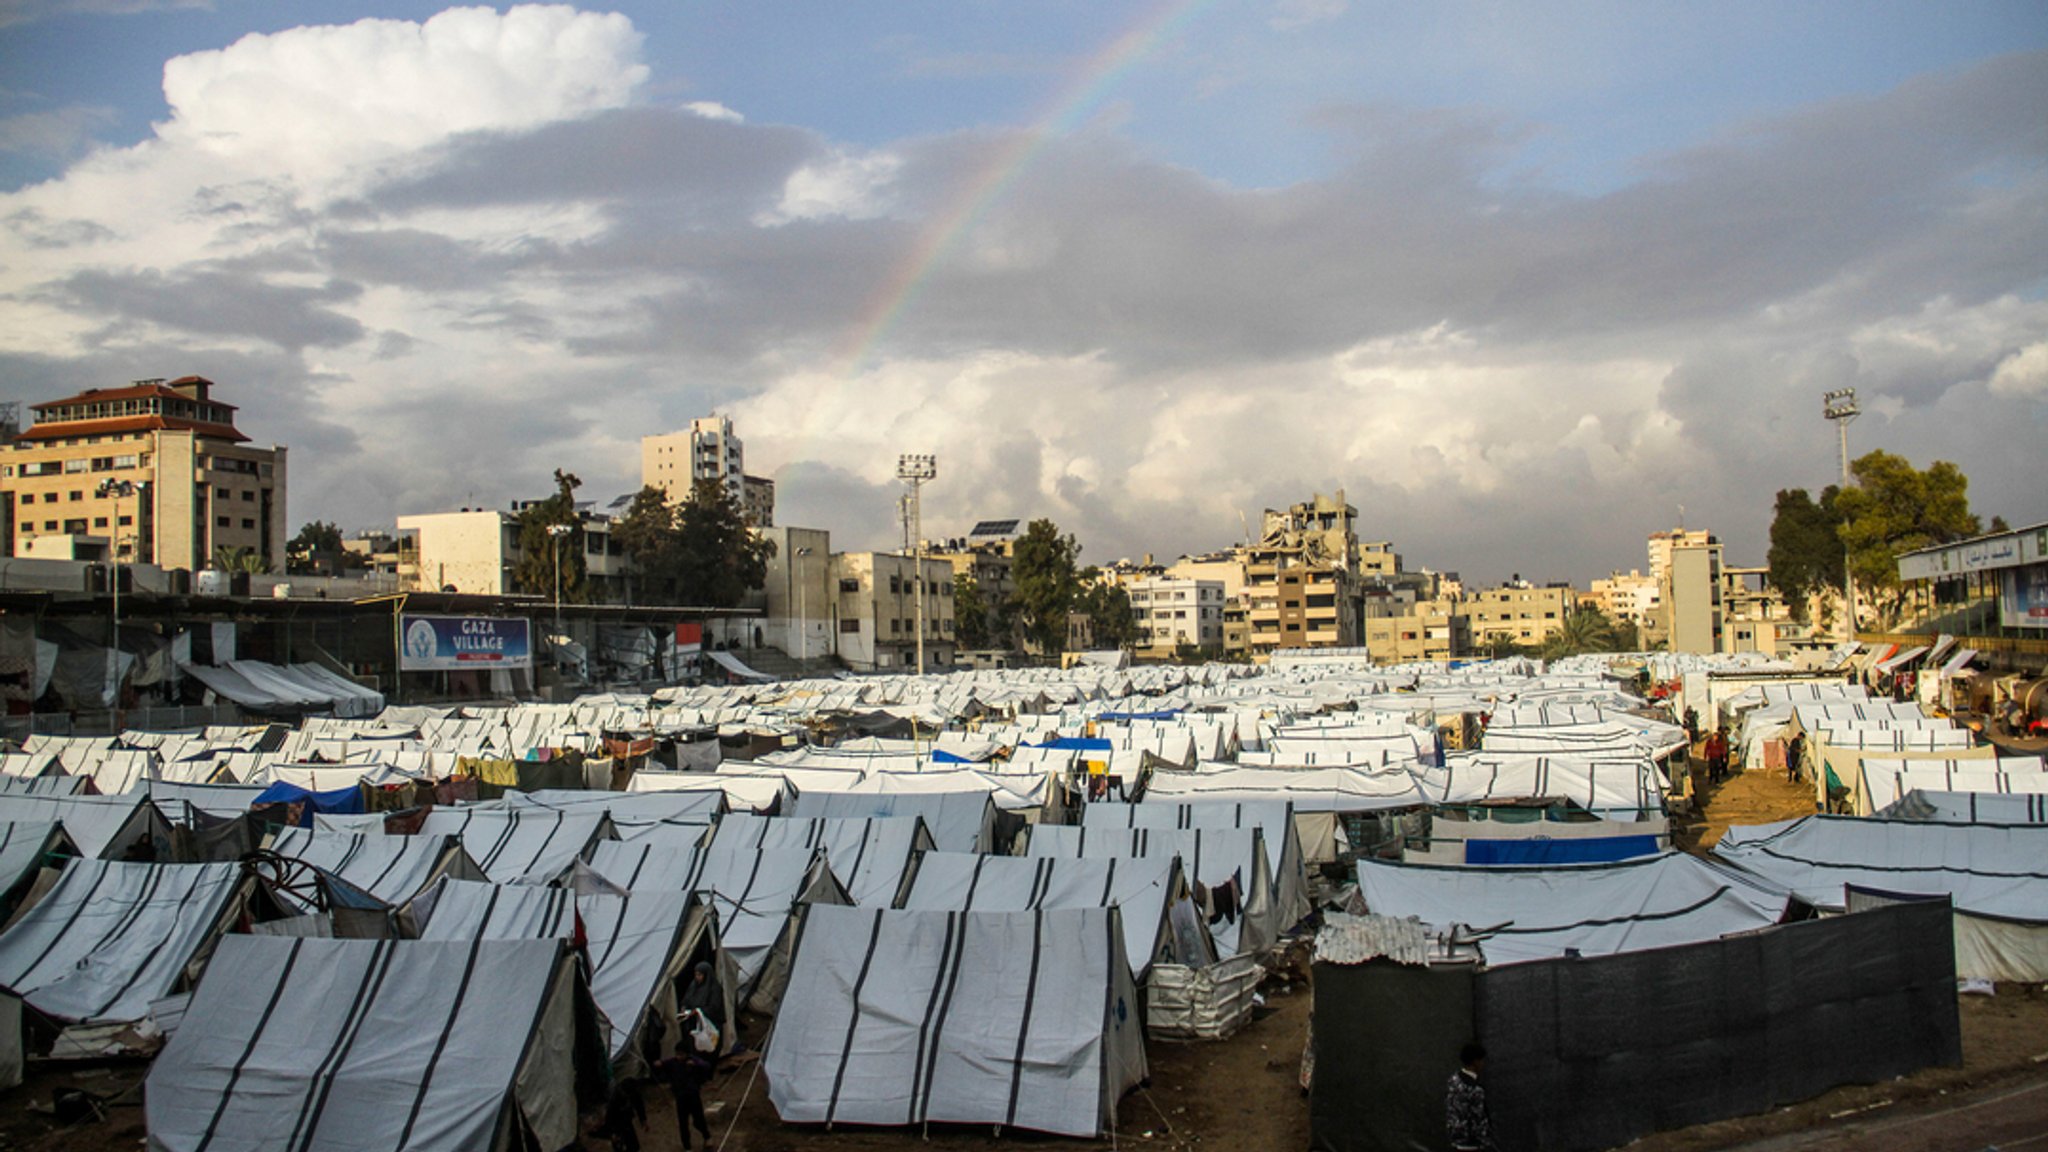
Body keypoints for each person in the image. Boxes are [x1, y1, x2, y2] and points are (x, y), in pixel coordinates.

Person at [656, 1030, 714, 1151]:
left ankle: (707, 1137)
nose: (679, 1057)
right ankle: (687, 1147)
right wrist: (659, 1064)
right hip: (680, 1097)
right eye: (677, 1054)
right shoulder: (673, 1062)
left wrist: (695, 1065)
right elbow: (663, 1064)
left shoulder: (693, 1061)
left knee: (698, 1120)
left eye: (681, 1054)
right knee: (683, 1124)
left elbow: (706, 1066)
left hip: (693, 1095)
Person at [1445, 1041, 1495, 1152]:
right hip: (1472, 1142)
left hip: (1456, 1139)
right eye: (1481, 1060)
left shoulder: (1453, 1081)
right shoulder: (1475, 1089)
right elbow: (1478, 1118)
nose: (1483, 1064)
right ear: (1475, 1061)